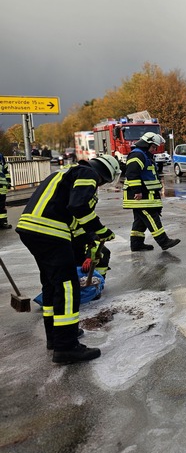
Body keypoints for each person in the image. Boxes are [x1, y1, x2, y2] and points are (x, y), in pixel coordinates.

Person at [15, 154, 120, 364]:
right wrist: (100, 230)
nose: (99, 186)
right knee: (68, 286)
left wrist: (89, 239)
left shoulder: (64, 173)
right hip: (50, 233)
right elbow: (79, 207)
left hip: (31, 230)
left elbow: (72, 220)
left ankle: (56, 337)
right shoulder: (88, 174)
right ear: (104, 175)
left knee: (51, 285)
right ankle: (67, 347)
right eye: (103, 183)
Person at [123, 132, 180, 251]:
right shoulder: (137, 155)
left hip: (144, 195)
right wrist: (137, 191)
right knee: (152, 217)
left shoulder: (143, 155)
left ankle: (136, 244)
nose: (154, 150)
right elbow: (132, 174)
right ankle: (164, 242)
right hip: (140, 196)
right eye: (153, 147)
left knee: (140, 221)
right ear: (146, 144)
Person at [0, 153, 11, 229]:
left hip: (2, 186)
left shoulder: (0, 156)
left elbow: (5, 170)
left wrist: (8, 181)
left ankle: (3, 222)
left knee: (2, 206)